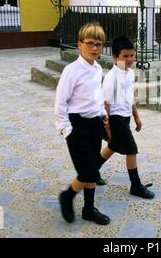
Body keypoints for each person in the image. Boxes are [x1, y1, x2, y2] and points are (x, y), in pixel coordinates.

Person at [54, 22, 110, 225]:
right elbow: (60, 102)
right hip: (77, 126)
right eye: (90, 43)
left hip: (95, 124)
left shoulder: (97, 68)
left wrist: (103, 114)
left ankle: (88, 209)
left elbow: (96, 95)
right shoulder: (71, 71)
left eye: (99, 44)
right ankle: (67, 196)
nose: (95, 48)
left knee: (93, 167)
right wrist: (66, 130)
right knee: (88, 171)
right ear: (79, 44)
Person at [97, 36, 155, 199]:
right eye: (125, 56)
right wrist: (107, 127)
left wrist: (136, 117)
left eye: (132, 55)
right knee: (131, 150)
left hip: (125, 118)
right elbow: (105, 104)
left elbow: (130, 98)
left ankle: (92, 171)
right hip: (114, 119)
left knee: (113, 147)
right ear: (115, 57)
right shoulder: (111, 77)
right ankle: (136, 186)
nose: (130, 59)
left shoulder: (129, 73)